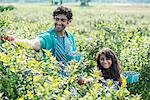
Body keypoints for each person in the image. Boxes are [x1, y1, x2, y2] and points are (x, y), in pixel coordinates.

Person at [1, 6, 80, 64]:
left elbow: (74, 55)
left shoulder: (69, 36)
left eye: (63, 20)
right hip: (54, 81)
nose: (59, 22)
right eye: (57, 19)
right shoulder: (48, 36)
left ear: (69, 22)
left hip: (69, 79)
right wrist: (15, 40)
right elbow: (33, 43)